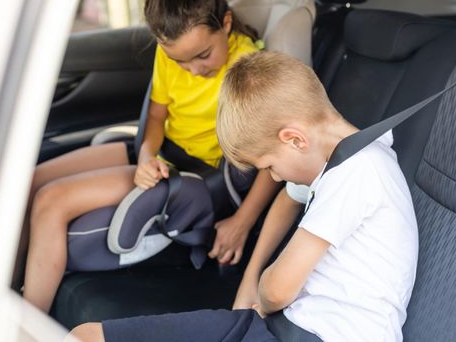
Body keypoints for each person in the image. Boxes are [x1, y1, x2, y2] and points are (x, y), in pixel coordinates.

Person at [68, 51, 419, 342]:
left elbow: (279, 290)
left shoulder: (359, 171)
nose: (275, 177)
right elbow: (287, 200)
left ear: (295, 139)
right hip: (284, 326)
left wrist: (263, 293)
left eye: (269, 165)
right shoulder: (338, 161)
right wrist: (250, 280)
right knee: (86, 336)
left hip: (323, 335)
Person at [22, 0, 280, 313]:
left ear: (225, 24)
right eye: (179, 61)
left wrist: (242, 221)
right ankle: (5, 288)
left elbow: (274, 162)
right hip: (158, 157)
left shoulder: (249, 72)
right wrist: (146, 154)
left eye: (203, 55)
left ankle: (25, 322)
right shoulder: (169, 52)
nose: (192, 70)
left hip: (194, 177)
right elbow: (157, 117)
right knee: (27, 183)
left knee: (50, 200)